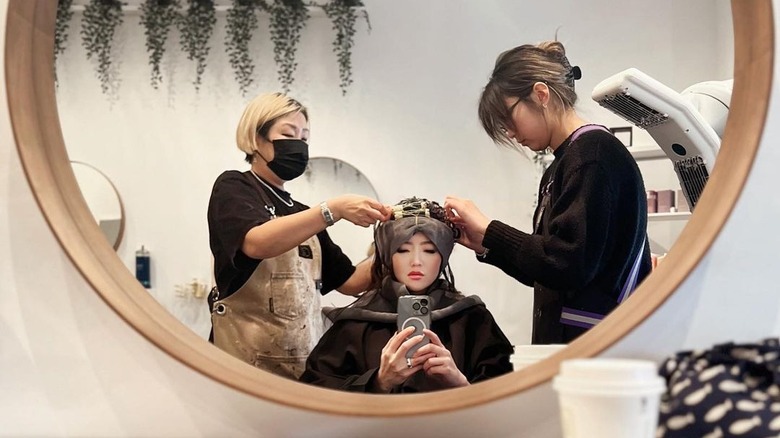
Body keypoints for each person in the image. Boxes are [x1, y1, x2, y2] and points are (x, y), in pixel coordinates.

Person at [445, 41, 652, 345]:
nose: (510, 134)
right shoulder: (563, 164)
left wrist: (491, 230)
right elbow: (545, 272)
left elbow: (566, 265)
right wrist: (485, 244)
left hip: (598, 347)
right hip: (574, 345)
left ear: (541, 94)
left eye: (508, 120)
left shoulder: (594, 156)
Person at [207, 92, 390, 379]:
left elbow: (352, 282)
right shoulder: (234, 187)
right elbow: (256, 242)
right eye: (288, 134)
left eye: (304, 138)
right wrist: (333, 209)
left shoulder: (304, 214)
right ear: (256, 139)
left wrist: (395, 244)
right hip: (244, 371)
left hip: (304, 370)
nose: (299, 145)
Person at [299, 197, 514, 393]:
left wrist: (460, 383)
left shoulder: (472, 319)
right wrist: (379, 381)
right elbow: (315, 394)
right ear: (387, 254)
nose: (416, 261)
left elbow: (509, 398)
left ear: (443, 255)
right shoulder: (355, 322)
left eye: (429, 250)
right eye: (403, 250)